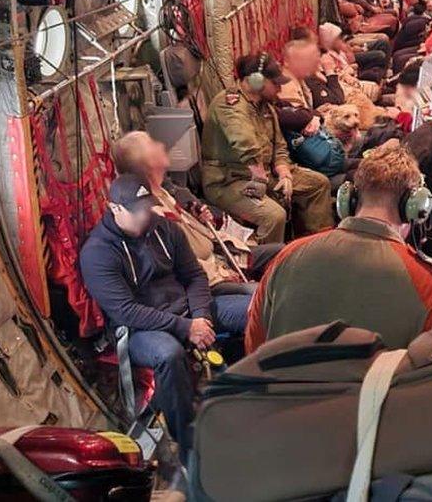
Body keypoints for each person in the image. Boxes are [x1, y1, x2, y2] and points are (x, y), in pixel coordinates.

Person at [80, 174, 250, 459]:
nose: (146, 217)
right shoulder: (97, 253)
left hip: (187, 312)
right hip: (139, 328)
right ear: (115, 209)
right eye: (138, 212)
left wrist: (201, 316)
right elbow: (126, 311)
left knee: (254, 308)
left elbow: (194, 276)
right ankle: (188, 442)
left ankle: (262, 390)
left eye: (148, 208)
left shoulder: (164, 229)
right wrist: (185, 327)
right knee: (168, 354)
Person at [244, 146, 432, 353]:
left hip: (281, 390)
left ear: (347, 200)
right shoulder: (430, 284)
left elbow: (255, 347)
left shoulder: (288, 257)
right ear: (416, 207)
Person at [111, 131, 282, 289]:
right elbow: (182, 265)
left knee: (287, 253)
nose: (161, 145)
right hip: (209, 279)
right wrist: (222, 274)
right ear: (148, 162)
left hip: (221, 255)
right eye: (153, 145)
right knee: (267, 299)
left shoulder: (163, 191)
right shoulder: (151, 213)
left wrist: (200, 220)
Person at [202, 52, 333, 244]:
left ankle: (313, 246)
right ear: (255, 81)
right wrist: (260, 176)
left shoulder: (265, 107)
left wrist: (284, 173)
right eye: (275, 83)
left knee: (318, 184)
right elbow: (245, 145)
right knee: (273, 216)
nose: (280, 88)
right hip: (229, 181)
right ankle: (267, 263)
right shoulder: (229, 105)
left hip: (264, 174)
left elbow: (279, 146)